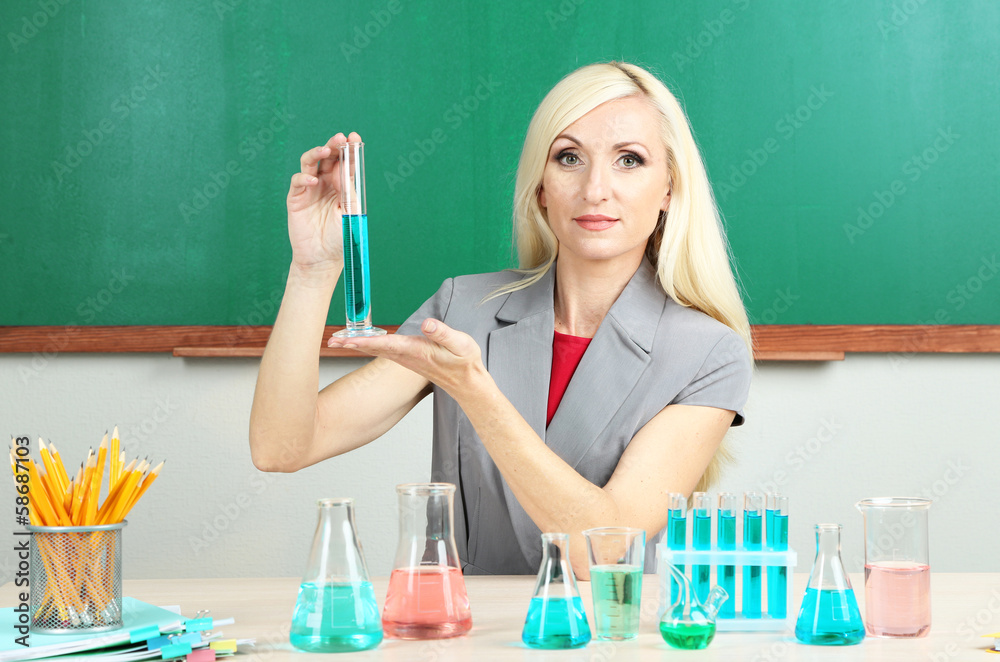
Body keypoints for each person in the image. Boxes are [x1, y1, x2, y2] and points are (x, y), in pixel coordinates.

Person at [249, 61, 752, 577]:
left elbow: (600, 549)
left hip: (607, 639)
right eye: (569, 157)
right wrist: (313, 270)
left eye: (629, 160)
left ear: (668, 188)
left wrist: (476, 392)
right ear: (540, 187)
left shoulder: (709, 354)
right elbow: (282, 446)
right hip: (461, 633)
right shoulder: (463, 309)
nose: (595, 189)